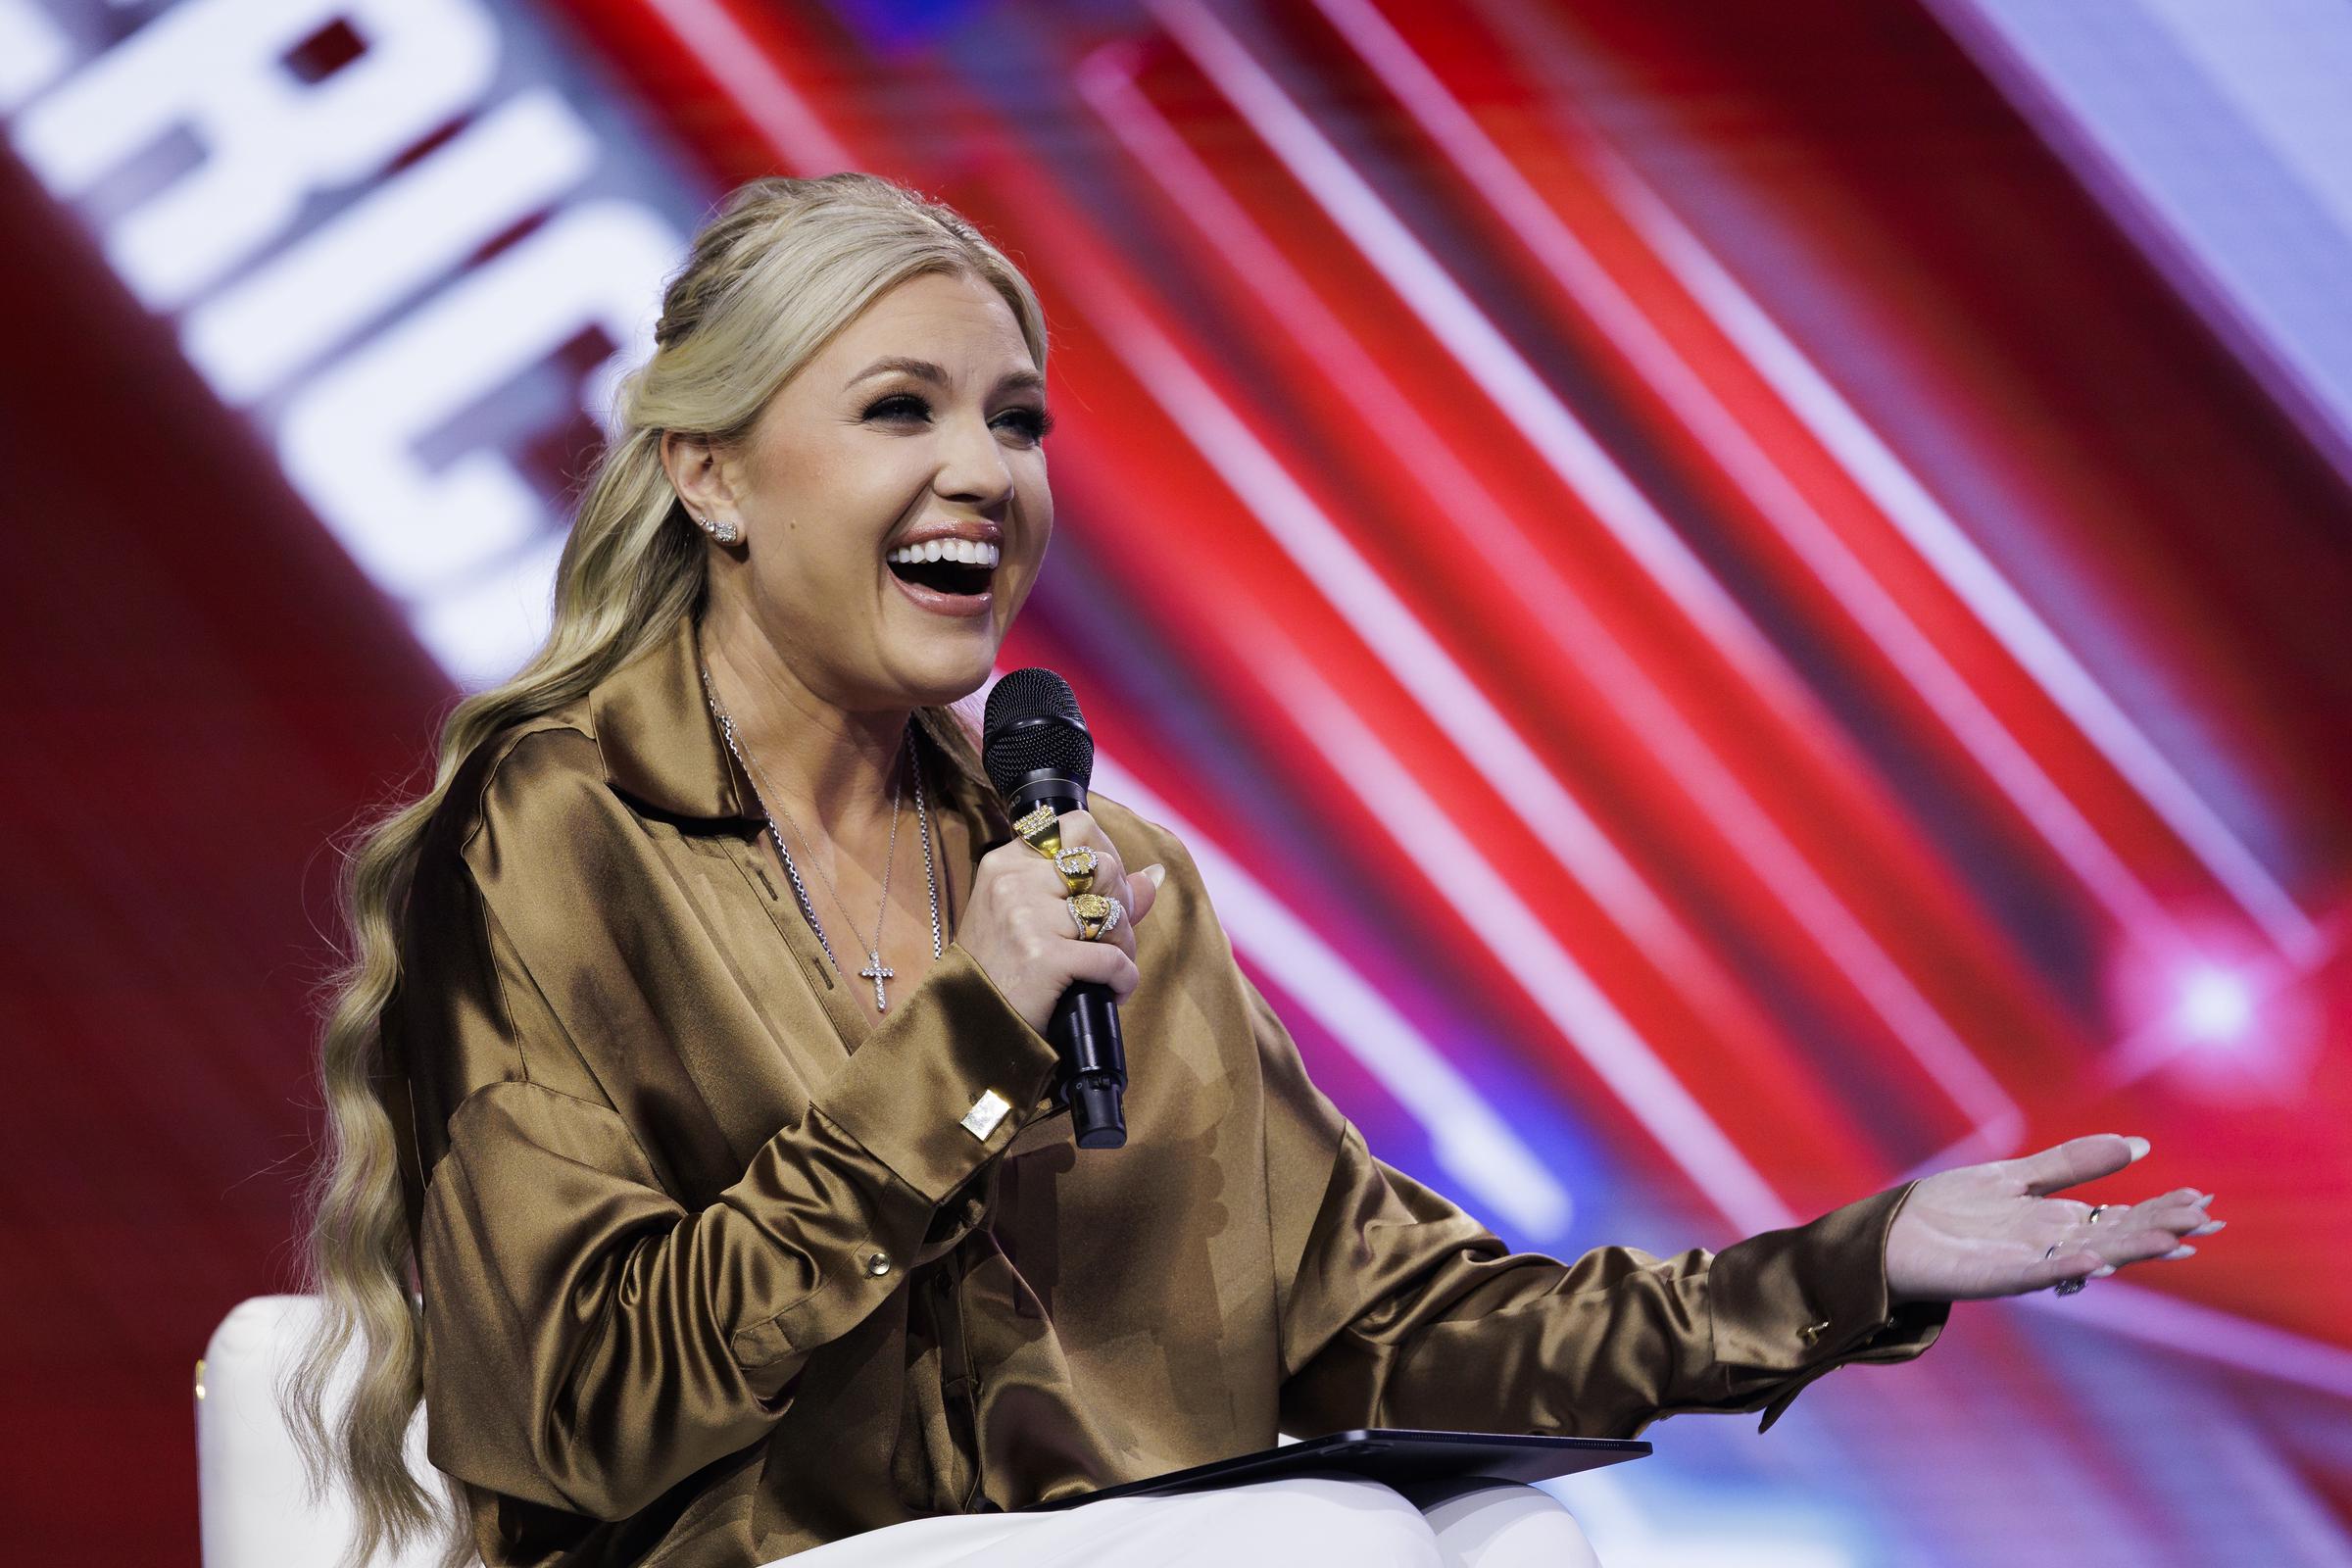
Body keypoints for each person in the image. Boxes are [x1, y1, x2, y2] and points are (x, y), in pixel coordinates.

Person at [283, 172, 2221, 1568]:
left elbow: (1404, 1322)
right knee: (1321, 1542)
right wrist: (970, 1039)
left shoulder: (1109, 884)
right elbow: (591, 1397)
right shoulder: (557, 835)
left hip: (1151, 1547)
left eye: (1016, 421)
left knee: (1512, 1539)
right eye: (901, 410)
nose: (989, 472)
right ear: (710, 476)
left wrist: (1860, 1259)